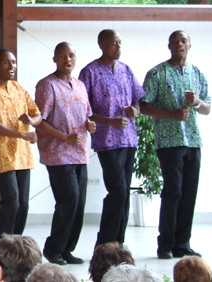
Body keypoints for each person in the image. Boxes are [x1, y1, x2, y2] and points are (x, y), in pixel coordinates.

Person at [140, 30, 211, 259]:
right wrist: (171, 115)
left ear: (190, 44)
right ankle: (165, 245)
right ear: (168, 45)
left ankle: (183, 243)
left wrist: (197, 102)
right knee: (173, 191)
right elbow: (143, 105)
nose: (179, 44)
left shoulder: (197, 73)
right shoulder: (157, 73)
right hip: (169, 142)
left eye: (183, 41)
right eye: (175, 41)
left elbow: (208, 107)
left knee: (189, 193)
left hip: (193, 141)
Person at [78, 29, 145, 248]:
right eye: (114, 43)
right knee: (117, 189)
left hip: (129, 138)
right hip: (106, 140)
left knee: (125, 190)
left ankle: (119, 242)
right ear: (102, 45)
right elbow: (84, 109)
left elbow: (138, 99)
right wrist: (110, 121)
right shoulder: (89, 72)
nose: (118, 47)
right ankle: (105, 243)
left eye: (120, 43)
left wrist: (134, 110)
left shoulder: (126, 70)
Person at [0, 49, 41, 266]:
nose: (11, 66)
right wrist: (22, 134)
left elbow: (38, 113)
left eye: (13, 62)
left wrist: (32, 120)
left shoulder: (18, 88)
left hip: (22, 153)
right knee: (11, 201)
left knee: (23, 204)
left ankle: (14, 248)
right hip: (1, 152)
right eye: (6, 62)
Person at [34, 42, 96, 266]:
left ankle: (67, 248)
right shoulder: (47, 85)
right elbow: (39, 122)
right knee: (69, 199)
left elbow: (87, 115)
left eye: (71, 55)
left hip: (80, 153)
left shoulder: (79, 85)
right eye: (62, 56)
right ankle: (53, 249)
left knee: (79, 203)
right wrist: (65, 137)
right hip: (58, 153)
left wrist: (90, 125)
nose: (67, 60)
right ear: (54, 59)